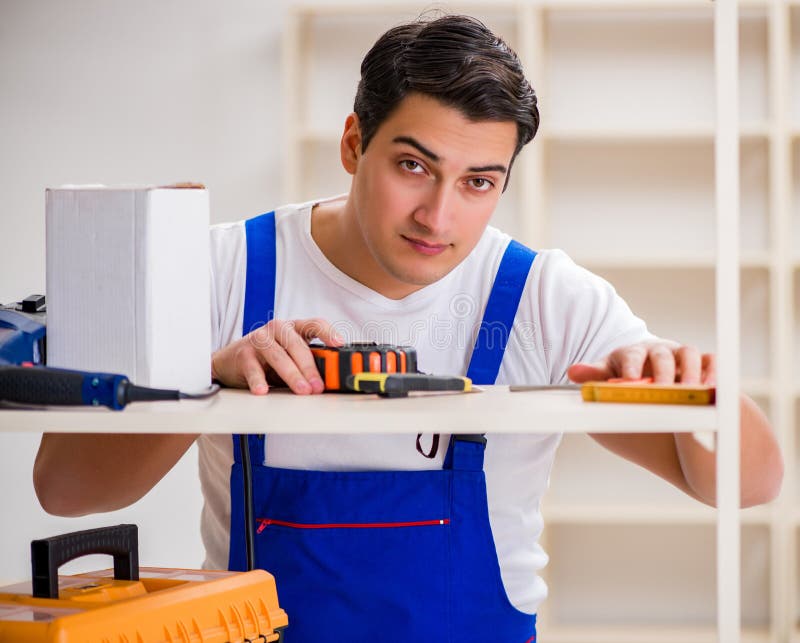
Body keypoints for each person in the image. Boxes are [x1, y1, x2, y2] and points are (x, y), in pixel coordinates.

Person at [33, 14, 782, 642]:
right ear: (355, 143)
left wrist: (695, 393)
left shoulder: (543, 296)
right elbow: (65, 490)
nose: (439, 216)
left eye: (479, 182)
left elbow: (752, 483)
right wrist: (205, 382)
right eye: (414, 166)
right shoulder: (219, 268)